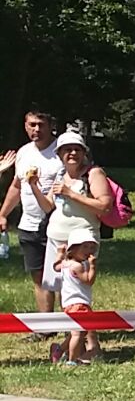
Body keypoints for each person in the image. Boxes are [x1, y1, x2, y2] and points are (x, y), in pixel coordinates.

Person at [35, 130, 112, 361]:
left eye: (77, 149)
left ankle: (90, 345)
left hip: (82, 243)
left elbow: (104, 206)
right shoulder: (60, 175)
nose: (72, 153)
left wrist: (71, 193)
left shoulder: (93, 173)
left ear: (84, 152)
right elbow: (49, 207)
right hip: (57, 242)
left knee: (80, 296)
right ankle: (71, 346)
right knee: (67, 296)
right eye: (67, 149)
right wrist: (33, 186)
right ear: (59, 154)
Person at [0, 110, 65, 328]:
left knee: (63, 276)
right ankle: (46, 327)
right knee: (39, 277)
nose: (36, 129)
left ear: (50, 125)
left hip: (57, 224)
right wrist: (3, 214)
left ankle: (70, 327)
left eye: (41, 125)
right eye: (32, 125)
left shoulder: (61, 153)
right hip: (28, 224)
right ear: (25, 126)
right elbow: (16, 186)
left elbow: (55, 199)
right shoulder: (24, 152)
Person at [51, 231, 98, 365]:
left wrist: (60, 253)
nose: (89, 251)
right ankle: (72, 361)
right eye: (85, 247)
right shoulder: (78, 266)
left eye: (91, 247)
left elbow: (56, 266)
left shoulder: (66, 263)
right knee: (78, 333)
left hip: (69, 303)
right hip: (79, 303)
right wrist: (93, 267)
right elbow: (88, 280)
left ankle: (59, 350)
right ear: (74, 248)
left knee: (76, 332)